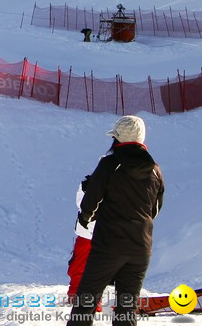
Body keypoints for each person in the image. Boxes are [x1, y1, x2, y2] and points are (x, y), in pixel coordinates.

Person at [69, 116, 164, 326]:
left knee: (86, 301)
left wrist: (86, 219)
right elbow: (155, 209)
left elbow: (90, 202)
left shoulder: (110, 164)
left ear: (118, 138)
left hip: (109, 246)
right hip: (140, 248)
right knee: (126, 310)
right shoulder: (155, 169)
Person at [67, 174, 95, 302]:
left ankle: (78, 295)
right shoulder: (89, 182)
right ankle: (77, 296)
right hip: (90, 231)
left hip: (89, 231)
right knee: (82, 265)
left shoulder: (90, 182)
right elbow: (82, 203)